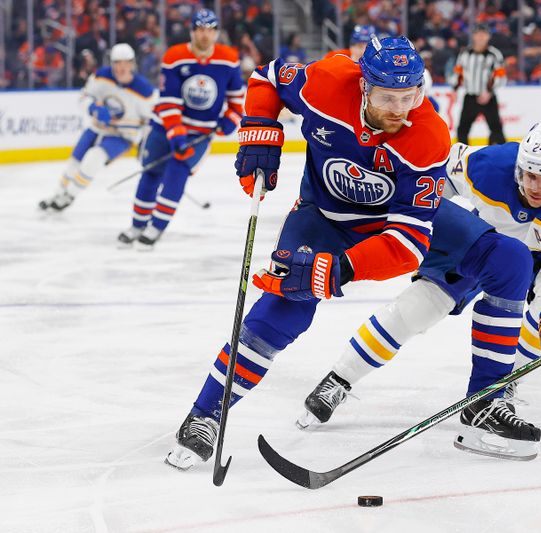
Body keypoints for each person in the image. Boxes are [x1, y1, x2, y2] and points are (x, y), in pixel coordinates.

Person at [164, 35, 452, 470]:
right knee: (284, 308)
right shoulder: (328, 82)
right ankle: (205, 414)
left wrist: (342, 268)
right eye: (387, 96)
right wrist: (262, 130)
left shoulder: (428, 137)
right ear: (363, 87)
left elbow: (409, 246)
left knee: (489, 258)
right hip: (320, 217)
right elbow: (267, 77)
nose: (398, 109)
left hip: (380, 233)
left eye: (408, 96)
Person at [299, 122, 541, 460]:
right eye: (528, 174)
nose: (534, 186)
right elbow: (436, 175)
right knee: (417, 307)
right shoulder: (488, 166)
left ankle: (497, 390)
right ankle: (340, 378)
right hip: (486, 238)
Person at [117, 9, 244, 249]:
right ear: (192, 31)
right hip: (164, 127)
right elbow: (168, 100)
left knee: (177, 174)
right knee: (151, 173)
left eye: (210, 30)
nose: (205, 35)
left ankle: (156, 228)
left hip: (199, 134)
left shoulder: (228, 58)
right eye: (200, 30)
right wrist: (176, 132)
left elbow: (237, 98)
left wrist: (230, 119)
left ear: (216, 33)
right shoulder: (175, 56)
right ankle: (137, 225)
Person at [39, 44, 156, 212]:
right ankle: (58, 194)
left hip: (122, 136)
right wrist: (93, 107)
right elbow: (83, 97)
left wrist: (146, 142)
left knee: (95, 157)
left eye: (125, 63)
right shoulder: (101, 76)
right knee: (74, 162)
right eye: (117, 62)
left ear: (132, 64)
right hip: (97, 128)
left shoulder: (144, 89)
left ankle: (70, 195)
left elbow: (150, 120)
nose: (121, 67)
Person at [450, 24, 507, 145]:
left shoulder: (494, 54)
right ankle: (463, 156)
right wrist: (454, 89)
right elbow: (459, 73)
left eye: (484, 34)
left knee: (496, 129)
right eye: (478, 34)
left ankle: (498, 156)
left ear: (488, 36)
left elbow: (500, 77)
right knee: (462, 130)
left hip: (488, 97)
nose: (481, 37)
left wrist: (489, 92)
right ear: (474, 36)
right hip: (470, 96)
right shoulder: (464, 53)